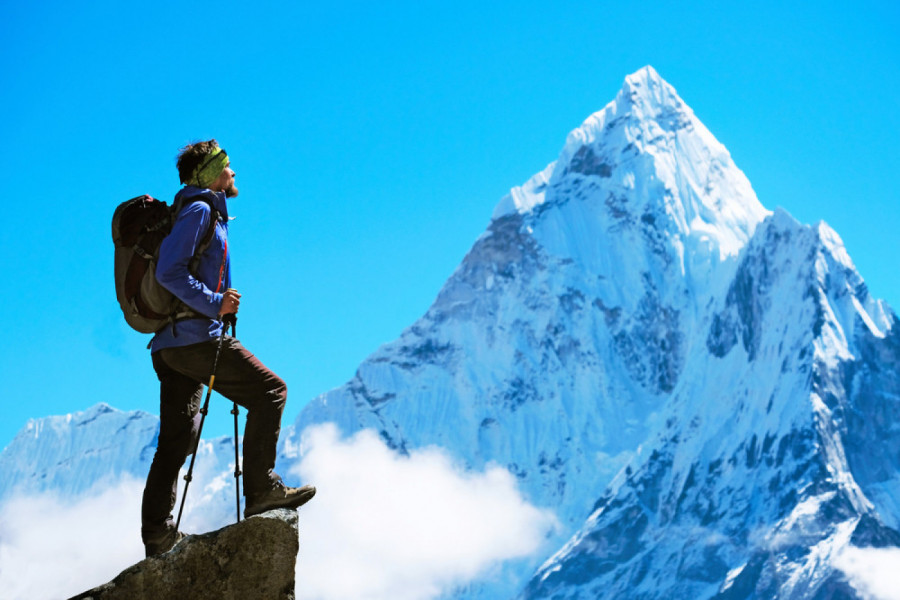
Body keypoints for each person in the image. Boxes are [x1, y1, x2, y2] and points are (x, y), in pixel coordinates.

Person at [141, 139, 315, 557]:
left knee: (177, 438)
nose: (233, 172)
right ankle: (261, 490)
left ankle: (158, 535)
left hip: (172, 344)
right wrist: (214, 302)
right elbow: (169, 272)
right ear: (209, 174)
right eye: (226, 165)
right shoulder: (200, 210)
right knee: (270, 391)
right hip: (195, 337)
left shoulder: (198, 210)